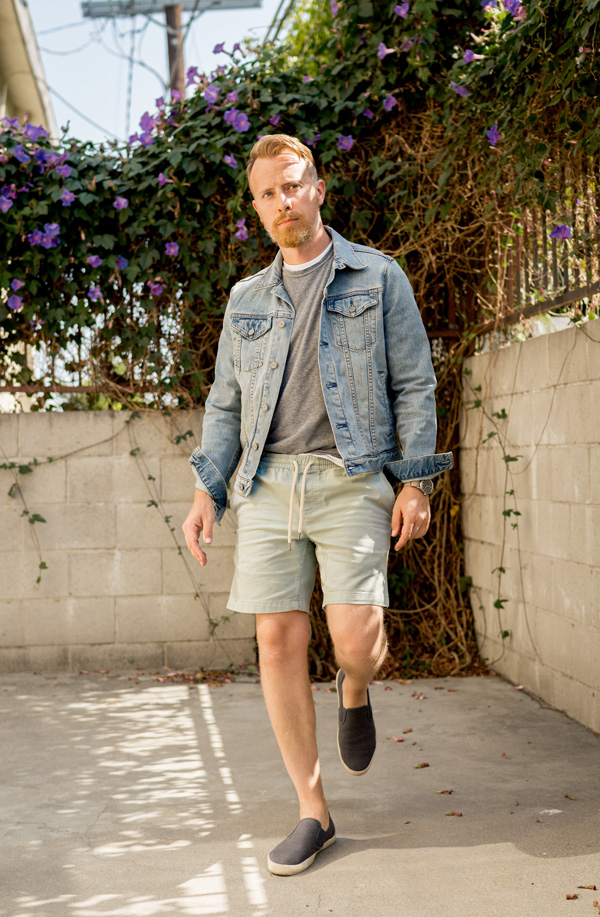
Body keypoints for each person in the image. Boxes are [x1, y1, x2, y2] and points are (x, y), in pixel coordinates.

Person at [182, 134, 453, 876]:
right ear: (257, 208)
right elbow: (226, 406)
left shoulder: (377, 276)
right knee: (276, 639)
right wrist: (208, 491)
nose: (284, 202)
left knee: (359, 643)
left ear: (320, 189)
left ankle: (354, 685)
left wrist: (416, 480)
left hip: (352, 479)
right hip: (268, 485)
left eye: (294, 186)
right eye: (269, 194)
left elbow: (414, 383)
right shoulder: (247, 299)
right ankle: (313, 809)